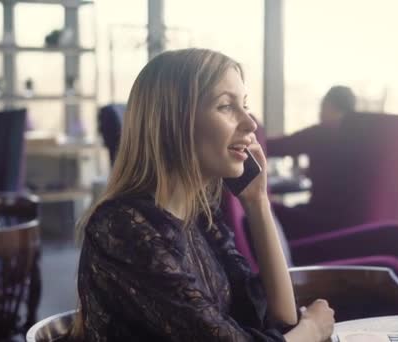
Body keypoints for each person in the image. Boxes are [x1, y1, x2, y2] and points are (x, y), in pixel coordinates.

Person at [74, 48, 335, 341]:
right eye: (226, 106)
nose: (250, 124)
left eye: (245, 105)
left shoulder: (200, 218)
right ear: (173, 122)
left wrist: (257, 203)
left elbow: (279, 320)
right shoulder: (122, 227)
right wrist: (311, 331)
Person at [265, 86, 356, 238]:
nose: (319, 113)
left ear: (329, 105)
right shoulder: (359, 138)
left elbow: (276, 147)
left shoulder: (322, 133)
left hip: (324, 223)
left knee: (264, 212)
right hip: (353, 225)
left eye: (322, 106)